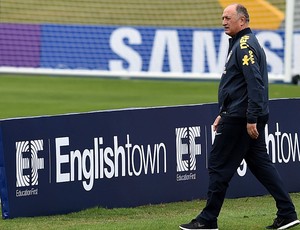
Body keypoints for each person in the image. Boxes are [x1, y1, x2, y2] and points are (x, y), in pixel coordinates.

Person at [179, 3, 300, 230]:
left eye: (227, 17)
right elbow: (239, 87)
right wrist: (223, 114)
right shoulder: (240, 43)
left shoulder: (243, 46)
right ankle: (287, 212)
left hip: (242, 118)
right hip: (238, 114)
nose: (223, 21)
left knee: (218, 165)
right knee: (261, 164)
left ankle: (208, 220)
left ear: (242, 21)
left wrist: (251, 117)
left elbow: (254, 83)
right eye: (222, 17)